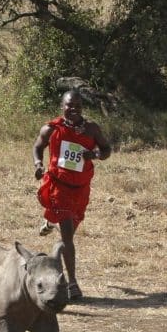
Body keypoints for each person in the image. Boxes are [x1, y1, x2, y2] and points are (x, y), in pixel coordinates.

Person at [32, 89, 111, 300]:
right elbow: (38, 147)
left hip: (81, 188)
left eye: (77, 106)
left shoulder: (92, 129)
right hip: (59, 186)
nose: (73, 109)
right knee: (67, 237)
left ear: (82, 108)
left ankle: (51, 224)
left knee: (69, 233)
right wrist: (38, 163)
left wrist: (94, 154)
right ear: (62, 106)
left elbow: (106, 150)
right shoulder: (52, 128)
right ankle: (72, 283)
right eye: (69, 105)